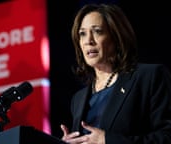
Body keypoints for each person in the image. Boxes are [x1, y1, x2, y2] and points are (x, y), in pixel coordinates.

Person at [60, 3, 171, 144]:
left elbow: (167, 137)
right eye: (82, 34)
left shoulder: (150, 77)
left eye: (97, 31)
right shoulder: (78, 99)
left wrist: (108, 141)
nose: (88, 41)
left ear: (117, 37)